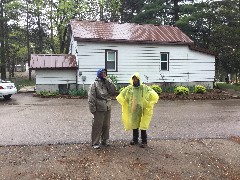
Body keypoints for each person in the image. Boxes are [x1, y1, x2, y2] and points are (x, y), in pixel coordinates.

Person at [116, 72, 159, 148]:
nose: (134, 80)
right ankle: (135, 139)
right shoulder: (130, 88)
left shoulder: (143, 87)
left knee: (143, 125)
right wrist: (125, 101)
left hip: (142, 109)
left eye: (136, 79)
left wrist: (149, 101)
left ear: (138, 79)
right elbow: (123, 95)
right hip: (134, 109)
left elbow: (152, 93)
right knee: (134, 124)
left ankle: (144, 141)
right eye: (133, 79)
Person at [88, 68, 116, 149]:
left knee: (106, 125)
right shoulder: (94, 84)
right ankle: (95, 142)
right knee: (97, 125)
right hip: (99, 108)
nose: (104, 74)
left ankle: (105, 140)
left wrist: (108, 81)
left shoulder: (107, 82)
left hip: (107, 107)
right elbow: (91, 98)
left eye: (105, 73)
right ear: (99, 74)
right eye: (102, 73)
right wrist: (92, 109)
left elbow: (113, 90)